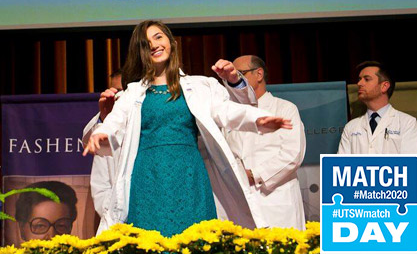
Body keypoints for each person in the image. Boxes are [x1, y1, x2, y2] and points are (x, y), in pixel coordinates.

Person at [82, 20, 293, 236]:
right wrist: (101, 132)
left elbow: (226, 110)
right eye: (146, 43)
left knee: (194, 240)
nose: (154, 45)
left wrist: (258, 119)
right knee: (149, 242)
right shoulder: (133, 93)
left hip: (189, 175)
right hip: (147, 178)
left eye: (158, 37)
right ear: (140, 52)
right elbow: (114, 120)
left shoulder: (200, 86)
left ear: (171, 42)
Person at [213, 55, 306, 230]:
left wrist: (254, 174)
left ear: (259, 74)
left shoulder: (285, 108)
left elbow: (293, 154)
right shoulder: (231, 115)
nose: (234, 79)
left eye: (240, 74)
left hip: (276, 200)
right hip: (241, 201)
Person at [338, 61, 417, 154]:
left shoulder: (407, 123)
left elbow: (409, 165)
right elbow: (341, 165)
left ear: (384, 86)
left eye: (367, 79)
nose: (359, 83)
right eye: (359, 79)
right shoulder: (351, 127)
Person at [87, 70, 123, 221]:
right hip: (120, 226)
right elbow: (101, 188)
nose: (118, 97)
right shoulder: (103, 132)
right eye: (115, 92)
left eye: (123, 92)